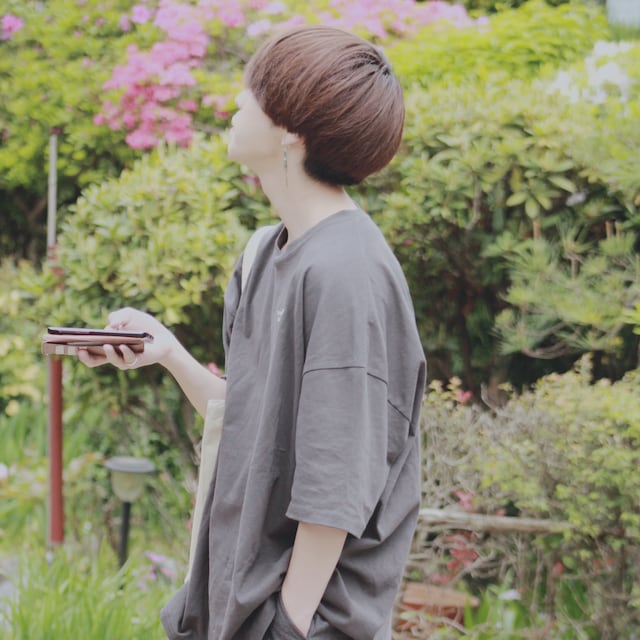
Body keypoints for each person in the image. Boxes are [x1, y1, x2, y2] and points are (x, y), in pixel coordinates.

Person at [79, 25, 425, 640]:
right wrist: (169, 353)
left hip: (298, 621)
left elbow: (334, 483)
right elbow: (253, 424)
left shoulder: (347, 272)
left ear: (293, 129)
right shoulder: (266, 251)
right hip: (233, 603)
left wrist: (287, 625)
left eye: (254, 91)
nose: (237, 101)